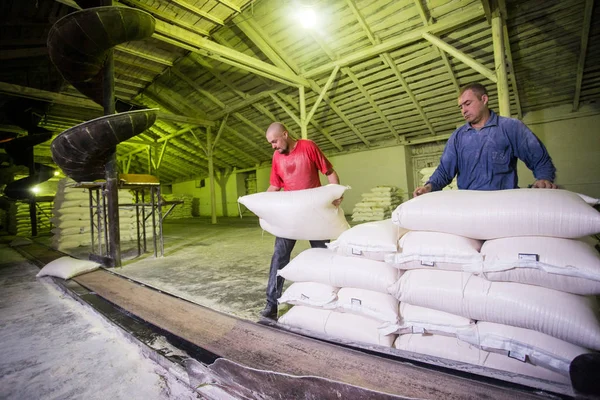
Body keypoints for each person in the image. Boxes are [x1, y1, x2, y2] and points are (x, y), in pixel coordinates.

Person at [413, 83, 557, 197]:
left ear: (484, 99)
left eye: (468, 104)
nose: (463, 110)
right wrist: (428, 187)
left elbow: (539, 158)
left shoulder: (510, 127)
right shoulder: (458, 137)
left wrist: (544, 178)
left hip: (503, 202)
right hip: (470, 204)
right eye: (461, 107)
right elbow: (444, 171)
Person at [260, 122, 341, 319]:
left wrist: (336, 193)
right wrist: (260, 204)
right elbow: (274, 186)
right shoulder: (276, 157)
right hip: (291, 214)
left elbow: (329, 172)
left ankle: (324, 298)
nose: (273, 146)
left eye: (275, 141)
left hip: (314, 212)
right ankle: (271, 304)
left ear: (285, 134)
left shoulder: (308, 147)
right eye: (270, 143)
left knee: (322, 255)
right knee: (279, 256)